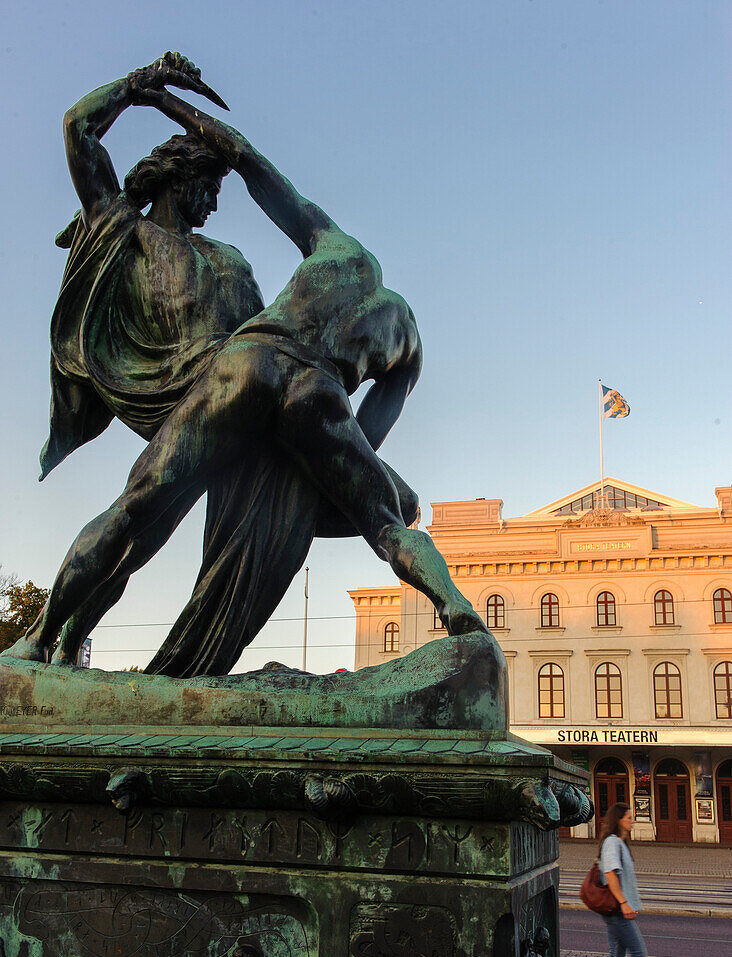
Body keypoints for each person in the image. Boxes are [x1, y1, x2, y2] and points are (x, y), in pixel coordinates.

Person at [6, 53, 487, 675]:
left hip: (234, 389)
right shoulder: (129, 230)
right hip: (265, 396)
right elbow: (79, 127)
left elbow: (260, 337)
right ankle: (55, 639)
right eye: (208, 187)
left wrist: (150, 91)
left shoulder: (251, 256)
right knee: (384, 515)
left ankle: (44, 640)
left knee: (136, 519)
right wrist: (136, 86)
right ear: (177, 180)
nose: (213, 201)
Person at [597, 802, 647, 957]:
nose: (632, 820)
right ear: (618, 820)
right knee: (638, 954)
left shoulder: (620, 843)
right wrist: (625, 903)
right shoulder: (612, 843)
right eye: (628, 817)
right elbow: (610, 875)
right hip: (617, 910)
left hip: (618, 909)